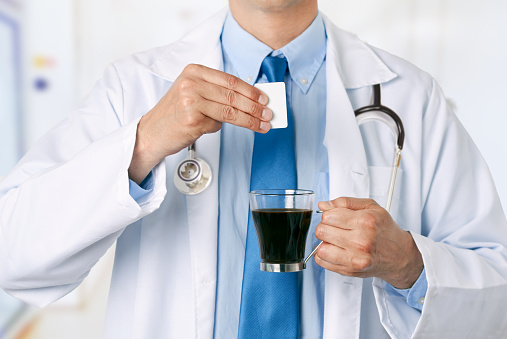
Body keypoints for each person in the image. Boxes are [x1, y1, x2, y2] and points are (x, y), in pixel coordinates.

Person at [1, 0, 507, 338]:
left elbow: (497, 295)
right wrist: (145, 141)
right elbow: (12, 253)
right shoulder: (136, 88)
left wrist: (410, 265)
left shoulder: (410, 98)